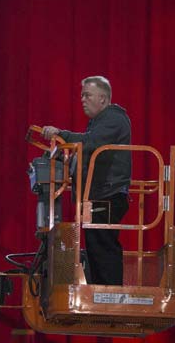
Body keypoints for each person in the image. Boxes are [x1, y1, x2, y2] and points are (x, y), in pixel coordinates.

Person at [42, 76, 131, 285]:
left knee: (103, 247)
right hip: (99, 195)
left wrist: (61, 133)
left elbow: (90, 142)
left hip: (107, 195)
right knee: (96, 248)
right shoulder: (100, 121)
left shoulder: (113, 118)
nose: (82, 99)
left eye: (87, 95)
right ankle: (102, 292)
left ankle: (108, 294)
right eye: (82, 95)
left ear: (102, 98)